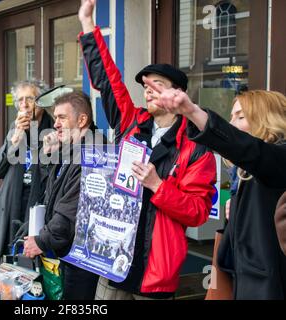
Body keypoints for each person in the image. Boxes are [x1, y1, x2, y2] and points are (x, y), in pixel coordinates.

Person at [78, 0, 217, 300]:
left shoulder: (196, 149)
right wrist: (87, 24)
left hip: (156, 272)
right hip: (113, 261)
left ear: (178, 94)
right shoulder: (130, 122)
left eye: (157, 85)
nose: (148, 90)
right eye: (145, 86)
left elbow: (198, 212)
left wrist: (157, 185)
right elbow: (107, 79)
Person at [143, 78, 286, 299]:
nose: (232, 124)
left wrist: (192, 111)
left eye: (240, 116)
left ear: (266, 119)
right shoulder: (244, 175)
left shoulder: (278, 158)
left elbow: (251, 151)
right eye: (231, 116)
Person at [23, 91, 105, 300]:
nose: (56, 124)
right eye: (55, 117)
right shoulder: (71, 150)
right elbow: (48, 195)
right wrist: (50, 154)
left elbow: (71, 212)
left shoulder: (93, 153)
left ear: (82, 119)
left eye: (62, 117)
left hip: (82, 260)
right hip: (66, 254)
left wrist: (41, 241)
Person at [0, 80, 54, 273]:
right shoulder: (15, 128)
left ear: (41, 102)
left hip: (37, 210)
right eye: (20, 100)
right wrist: (13, 140)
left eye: (30, 99)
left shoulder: (54, 129)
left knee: (32, 269)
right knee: (7, 267)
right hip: (10, 207)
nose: (24, 105)